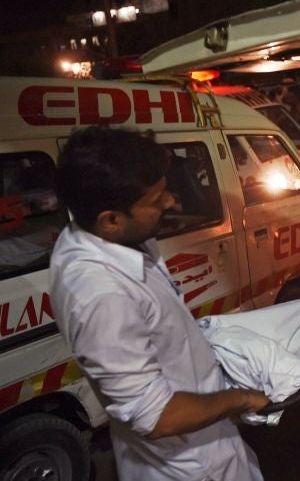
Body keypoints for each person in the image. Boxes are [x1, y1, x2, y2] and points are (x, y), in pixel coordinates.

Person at [49, 126, 269, 481]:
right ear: (112, 220)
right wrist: (239, 399)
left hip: (208, 441)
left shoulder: (103, 238)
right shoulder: (102, 296)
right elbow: (157, 417)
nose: (170, 202)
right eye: (156, 200)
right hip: (188, 464)